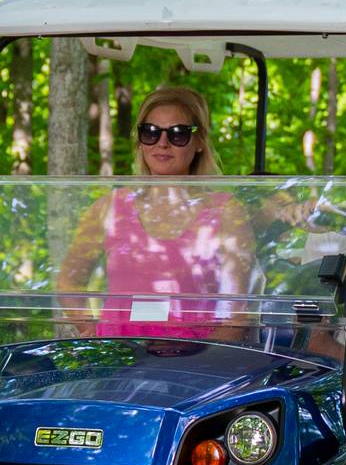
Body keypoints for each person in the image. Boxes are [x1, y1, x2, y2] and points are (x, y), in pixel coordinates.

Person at [59, 85, 253, 340]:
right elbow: (68, 281)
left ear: (199, 142)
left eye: (178, 134)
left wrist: (204, 361)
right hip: (121, 358)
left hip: (193, 364)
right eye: (150, 132)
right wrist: (94, 332)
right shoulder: (109, 208)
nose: (162, 143)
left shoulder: (226, 212)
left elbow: (238, 312)